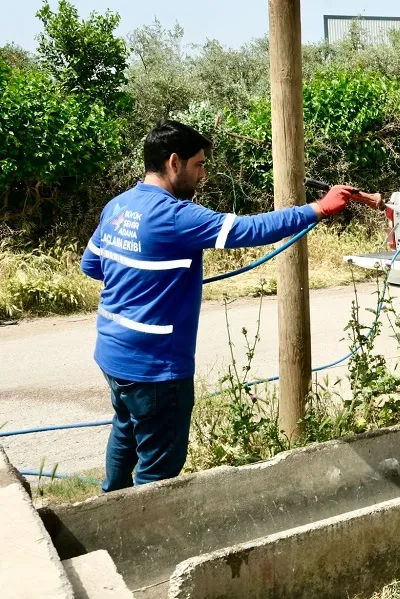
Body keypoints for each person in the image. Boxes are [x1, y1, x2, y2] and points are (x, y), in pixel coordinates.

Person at [80, 119, 379, 493]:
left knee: (125, 434)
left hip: (113, 355)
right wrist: (318, 209)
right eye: (199, 165)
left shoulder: (118, 207)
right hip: (156, 369)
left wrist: (145, 278)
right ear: (174, 162)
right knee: (156, 474)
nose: (202, 175)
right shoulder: (174, 216)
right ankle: (144, 537)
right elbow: (248, 230)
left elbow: (91, 265)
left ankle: (107, 511)